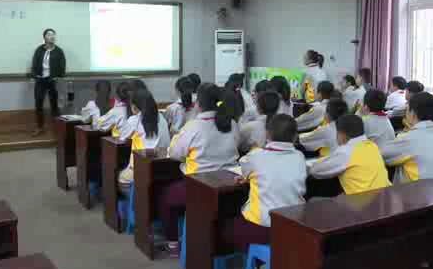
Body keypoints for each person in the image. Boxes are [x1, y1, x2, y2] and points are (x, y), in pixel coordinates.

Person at [162, 83, 240, 258]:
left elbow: (174, 154)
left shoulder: (193, 126)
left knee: (166, 196)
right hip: (229, 190)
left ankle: (172, 243)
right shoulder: (231, 123)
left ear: (198, 103)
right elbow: (238, 144)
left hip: (199, 188)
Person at [225, 114, 306, 252]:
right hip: (293, 225)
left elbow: (245, 166)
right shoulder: (300, 157)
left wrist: (248, 177)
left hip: (263, 227)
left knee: (228, 226)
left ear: (267, 134)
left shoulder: (256, 155)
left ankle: (255, 259)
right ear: (295, 137)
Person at [381, 92, 433, 184]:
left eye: (407, 110)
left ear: (413, 113)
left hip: (416, 191)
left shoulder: (410, 139)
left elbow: (381, 154)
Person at [309, 114, 391, 195]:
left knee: (315, 200)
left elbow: (315, 171)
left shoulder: (346, 152)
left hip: (363, 201)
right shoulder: (372, 146)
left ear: (342, 135)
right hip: (384, 196)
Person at [118, 89, 170, 193]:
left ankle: (132, 200)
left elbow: (122, 137)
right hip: (163, 169)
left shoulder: (134, 120)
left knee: (121, 177)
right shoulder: (162, 118)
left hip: (141, 169)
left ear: (134, 106)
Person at [31, 28, 66, 136]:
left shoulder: (59, 51)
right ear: (44, 37)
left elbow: (62, 66)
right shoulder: (39, 50)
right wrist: (35, 75)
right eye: (49, 35)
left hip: (53, 80)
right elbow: (35, 63)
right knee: (38, 104)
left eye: (53, 35)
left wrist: (58, 77)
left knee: (54, 105)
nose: (52, 36)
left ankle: (57, 128)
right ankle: (39, 127)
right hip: (41, 80)